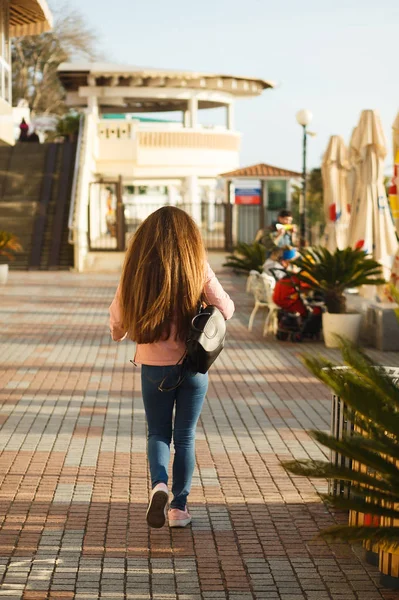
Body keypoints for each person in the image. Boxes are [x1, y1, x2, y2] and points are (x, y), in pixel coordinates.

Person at [109, 206, 235, 529]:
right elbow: (226, 308)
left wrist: (118, 333)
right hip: (193, 366)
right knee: (186, 436)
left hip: (153, 366)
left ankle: (159, 485)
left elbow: (118, 320)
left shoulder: (137, 268)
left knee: (159, 432)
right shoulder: (196, 265)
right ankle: (179, 508)